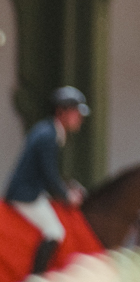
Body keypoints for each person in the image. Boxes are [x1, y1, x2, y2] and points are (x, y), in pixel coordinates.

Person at [7, 87, 88, 276]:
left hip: (33, 190)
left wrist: (66, 188)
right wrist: (67, 196)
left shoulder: (49, 131)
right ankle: (36, 277)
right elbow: (49, 175)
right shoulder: (48, 136)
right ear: (61, 112)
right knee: (55, 231)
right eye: (75, 112)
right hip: (26, 195)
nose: (79, 118)